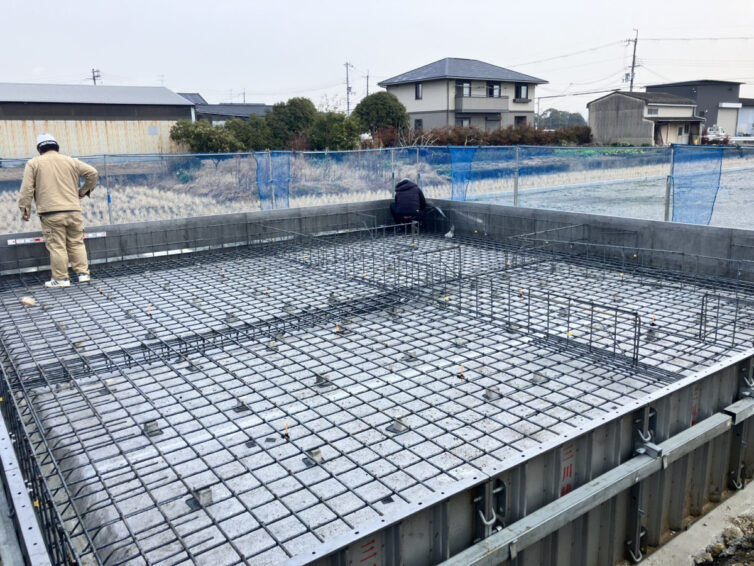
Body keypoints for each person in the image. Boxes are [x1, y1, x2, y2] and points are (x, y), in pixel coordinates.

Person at [18, 133, 99, 288]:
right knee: (76, 243)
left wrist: (25, 209)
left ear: (39, 149)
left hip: (51, 213)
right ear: (57, 147)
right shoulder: (71, 161)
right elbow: (93, 173)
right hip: (74, 211)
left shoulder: (33, 163)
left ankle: (61, 279)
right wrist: (83, 192)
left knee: (57, 246)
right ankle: (83, 275)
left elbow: (27, 189)